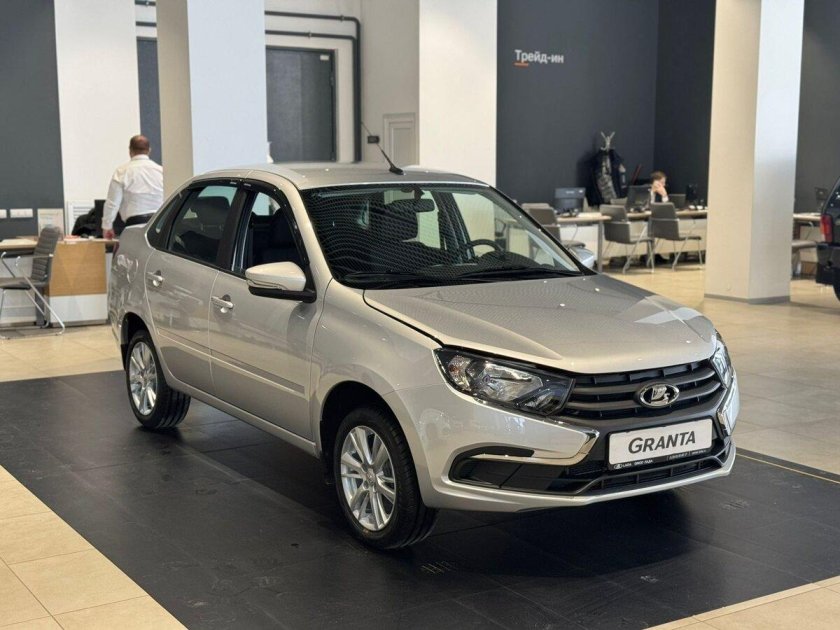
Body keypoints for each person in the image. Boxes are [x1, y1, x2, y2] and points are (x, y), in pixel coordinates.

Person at [102, 135, 163, 239]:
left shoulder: (122, 172)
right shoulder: (161, 171)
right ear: (149, 150)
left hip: (134, 224)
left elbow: (112, 203)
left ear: (130, 151)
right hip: (159, 224)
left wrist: (107, 227)